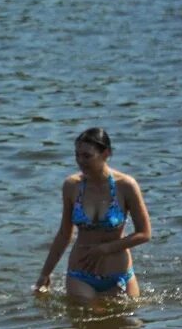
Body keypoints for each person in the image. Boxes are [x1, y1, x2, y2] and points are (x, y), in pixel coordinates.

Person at [35, 127, 151, 300]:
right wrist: (45, 274)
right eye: (77, 156)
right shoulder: (72, 186)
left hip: (119, 275)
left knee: (127, 322)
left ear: (106, 153)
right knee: (90, 316)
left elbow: (144, 233)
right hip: (81, 275)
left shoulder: (126, 186)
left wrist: (105, 249)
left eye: (87, 156)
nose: (81, 162)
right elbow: (64, 234)